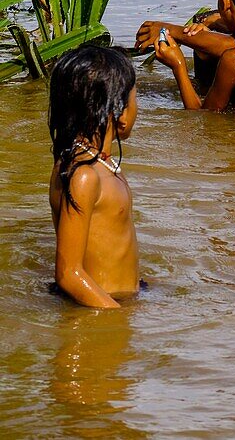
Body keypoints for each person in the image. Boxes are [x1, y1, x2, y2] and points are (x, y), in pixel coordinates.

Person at [48, 45, 139, 309]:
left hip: (111, 299)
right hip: (95, 309)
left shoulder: (100, 164)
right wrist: (115, 314)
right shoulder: (84, 176)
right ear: (119, 111)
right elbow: (68, 274)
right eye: (135, 98)